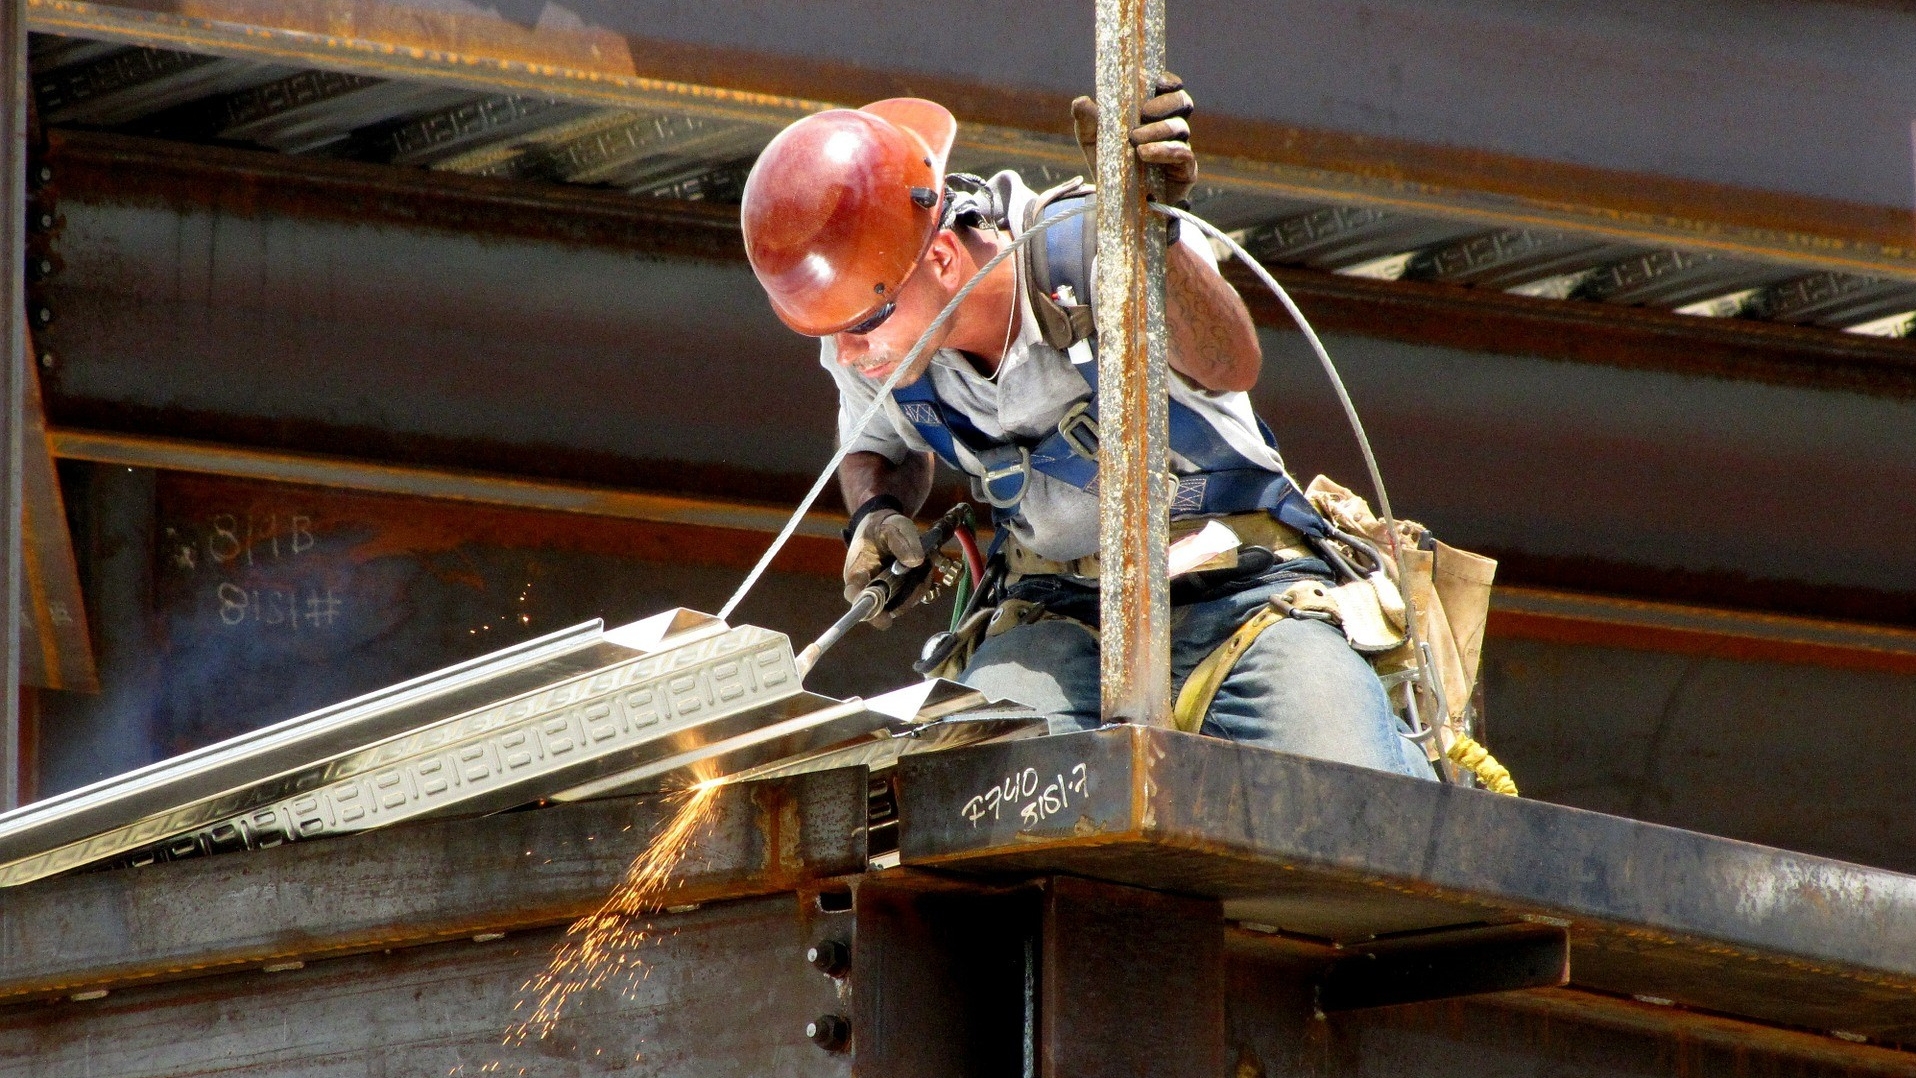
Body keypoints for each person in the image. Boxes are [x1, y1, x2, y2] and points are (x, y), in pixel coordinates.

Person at [738, 81, 1433, 779]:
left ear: (942, 258)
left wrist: (1149, 241)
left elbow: (1231, 363)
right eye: (829, 333)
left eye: (860, 328)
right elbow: (881, 444)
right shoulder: (872, 325)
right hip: (1053, 612)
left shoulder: (1097, 247)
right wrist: (876, 512)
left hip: (1239, 591)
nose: (850, 353)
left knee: (1356, 798)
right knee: (965, 793)